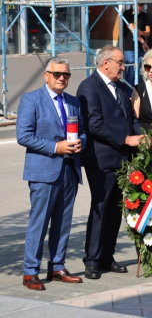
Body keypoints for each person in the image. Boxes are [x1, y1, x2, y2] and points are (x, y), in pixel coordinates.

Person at [17, 57, 86, 290]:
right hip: (44, 170)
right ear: (46, 75)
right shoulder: (31, 99)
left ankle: (57, 266)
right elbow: (23, 136)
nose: (62, 78)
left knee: (63, 222)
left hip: (69, 169)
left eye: (66, 74)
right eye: (57, 74)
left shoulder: (73, 102)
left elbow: (83, 132)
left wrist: (80, 143)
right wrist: (56, 147)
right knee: (39, 222)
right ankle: (30, 272)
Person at [77, 46, 143, 280]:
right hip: (101, 159)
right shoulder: (89, 87)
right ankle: (92, 260)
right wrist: (125, 139)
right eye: (121, 62)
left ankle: (107, 255)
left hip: (123, 159)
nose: (124, 67)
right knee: (101, 207)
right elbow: (93, 124)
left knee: (115, 210)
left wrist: (141, 136)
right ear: (106, 63)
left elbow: (130, 119)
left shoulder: (121, 87)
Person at [123, 3, 150, 96]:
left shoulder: (144, 15)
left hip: (141, 50)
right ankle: (129, 95)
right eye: (138, 7)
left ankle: (139, 93)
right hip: (130, 48)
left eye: (141, 7)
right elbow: (133, 30)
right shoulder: (127, 14)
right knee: (130, 73)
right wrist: (143, 42)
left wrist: (142, 32)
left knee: (140, 72)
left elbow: (148, 32)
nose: (140, 10)